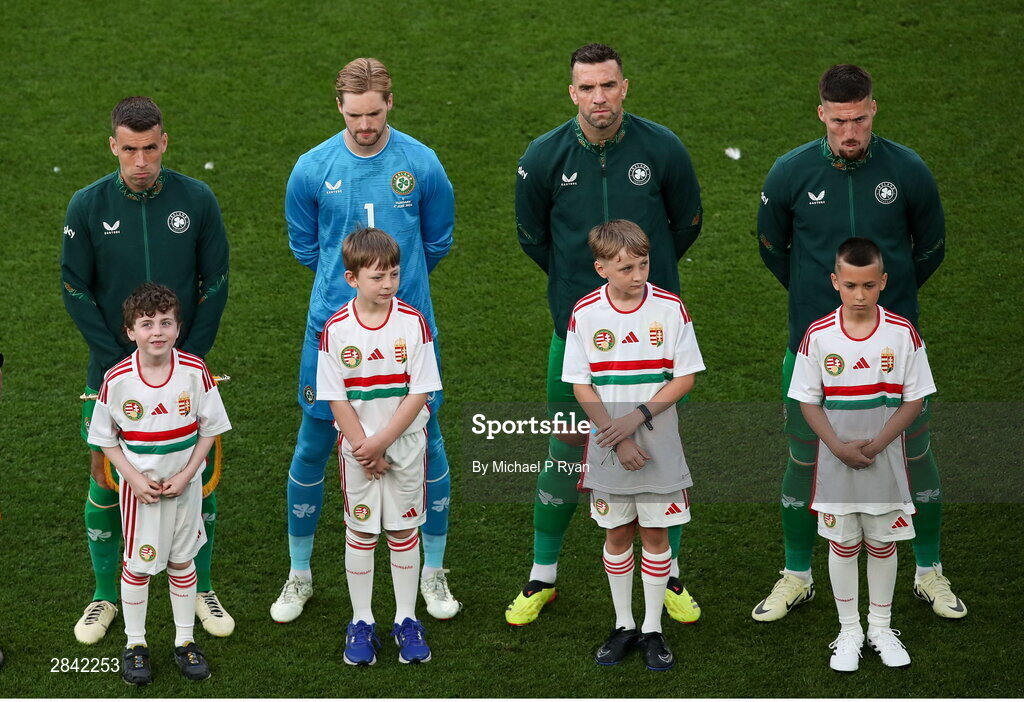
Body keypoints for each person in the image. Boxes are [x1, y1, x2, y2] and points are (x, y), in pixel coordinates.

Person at [754, 64, 961, 622]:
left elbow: (929, 249)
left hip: (893, 347)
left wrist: (885, 311)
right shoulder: (790, 173)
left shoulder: (908, 170)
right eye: (840, 121)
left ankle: (930, 572)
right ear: (822, 113)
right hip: (813, 347)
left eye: (861, 120)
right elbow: (773, 248)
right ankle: (797, 575)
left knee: (914, 456)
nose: (851, 132)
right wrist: (819, 305)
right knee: (805, 459)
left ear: (874, 111)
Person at [510, 43, 703, 626]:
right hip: (577, 338)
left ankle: (666, 575)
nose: (599, 98)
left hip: (653, 342)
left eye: (609, 86)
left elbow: (685, 225)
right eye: (587, 88)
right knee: (567, 449)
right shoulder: (544, 156)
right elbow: (533, 237)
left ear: (625, 87)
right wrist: (587, 301)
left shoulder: (662, 148)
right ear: (572, 92)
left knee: (657, 453)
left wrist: (643, 295)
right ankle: (543, 576)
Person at [272, 57, 459, 624]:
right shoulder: (312, 168)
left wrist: (393, 302)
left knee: (427, 443)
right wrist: (348, 299)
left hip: (409, 331)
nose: (365, 126)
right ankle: (299, 574)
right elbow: (308, 249)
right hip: (331, 335)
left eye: (374, 113)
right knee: (314, 442)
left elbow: (438, 242)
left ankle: (433, 571)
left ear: (390, 104)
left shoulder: (421, 163)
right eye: (354, 115)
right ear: (339, 108)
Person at [61, 97, 232, 644]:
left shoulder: (196, 200)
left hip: (185, 371)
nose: (140, 161)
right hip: (110, 371)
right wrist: (118, 364)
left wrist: (191, 357)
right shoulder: (86, 206)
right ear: (113, 145)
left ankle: (201, 586)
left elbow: (216, 283)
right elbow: (73, 287)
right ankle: (105, 595)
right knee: (106, 478)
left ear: (165, 142)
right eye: (129, 149)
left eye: (150, 148)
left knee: (195, 478)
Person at [563, 221, 705, 670]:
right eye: (626, 268)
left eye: (643, 264)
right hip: (609, 443)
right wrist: (615, 433)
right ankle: (624, 624)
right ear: (601, 268)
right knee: (618, 532)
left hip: (658, 441)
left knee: (657, 534)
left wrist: (636, 419)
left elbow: (685, 377)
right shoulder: (585, 313)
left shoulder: (670, 308)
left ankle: (652, 628)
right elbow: (580, 384)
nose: (638, 275)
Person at [789, 238, 932, 671]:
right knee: (844, 542)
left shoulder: (902, 333)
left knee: (883, 542)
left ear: (883, 282)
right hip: (837, 465)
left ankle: (881, 627)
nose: (859, 294)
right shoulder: (818, 335)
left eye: (869, 285)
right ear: (836, 282)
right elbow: (807, 401)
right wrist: (837, 447)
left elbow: (915, 400)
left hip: (884, 462)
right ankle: (849, 629)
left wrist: (877, 443)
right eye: (850, 285)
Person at [88, 284, 232, 685]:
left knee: (183, 562)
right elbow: (104, 438)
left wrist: (187, 476)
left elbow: (210, 430)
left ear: (178, 327)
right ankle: (136, 644)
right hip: (142, 495)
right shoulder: (116, 379)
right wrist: (132, 479)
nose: (158, 332)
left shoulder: (194, 370)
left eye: (166, 322)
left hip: (184, 490)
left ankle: (185, 642)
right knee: (137, 567)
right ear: (130, 331)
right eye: (147, 324)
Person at [317, 228, 441, 665]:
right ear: (352, 278)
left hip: (403, 447)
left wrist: (382, 443)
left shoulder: (413, 323)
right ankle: (362, 620)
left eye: (393, 274)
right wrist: (363, 447)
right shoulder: (335, 330)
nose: (388, 284)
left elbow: (421, 391)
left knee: (404, 530)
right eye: (377, 277)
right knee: (362, 530)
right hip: (358, 451)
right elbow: (336, 397)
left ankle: (407, 620)